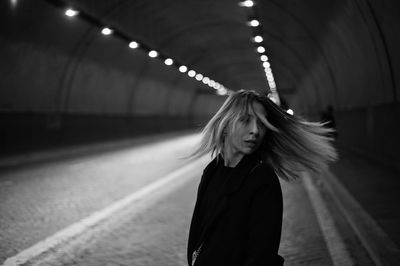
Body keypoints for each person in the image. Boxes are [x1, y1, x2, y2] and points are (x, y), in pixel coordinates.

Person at [187, 90, 337, 266]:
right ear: (225, 124)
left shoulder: (262, 179)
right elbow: (199, 232)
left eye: (261, 124)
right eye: (245, 120)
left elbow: (261, 255)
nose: (255, 131)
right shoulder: (212, 171)